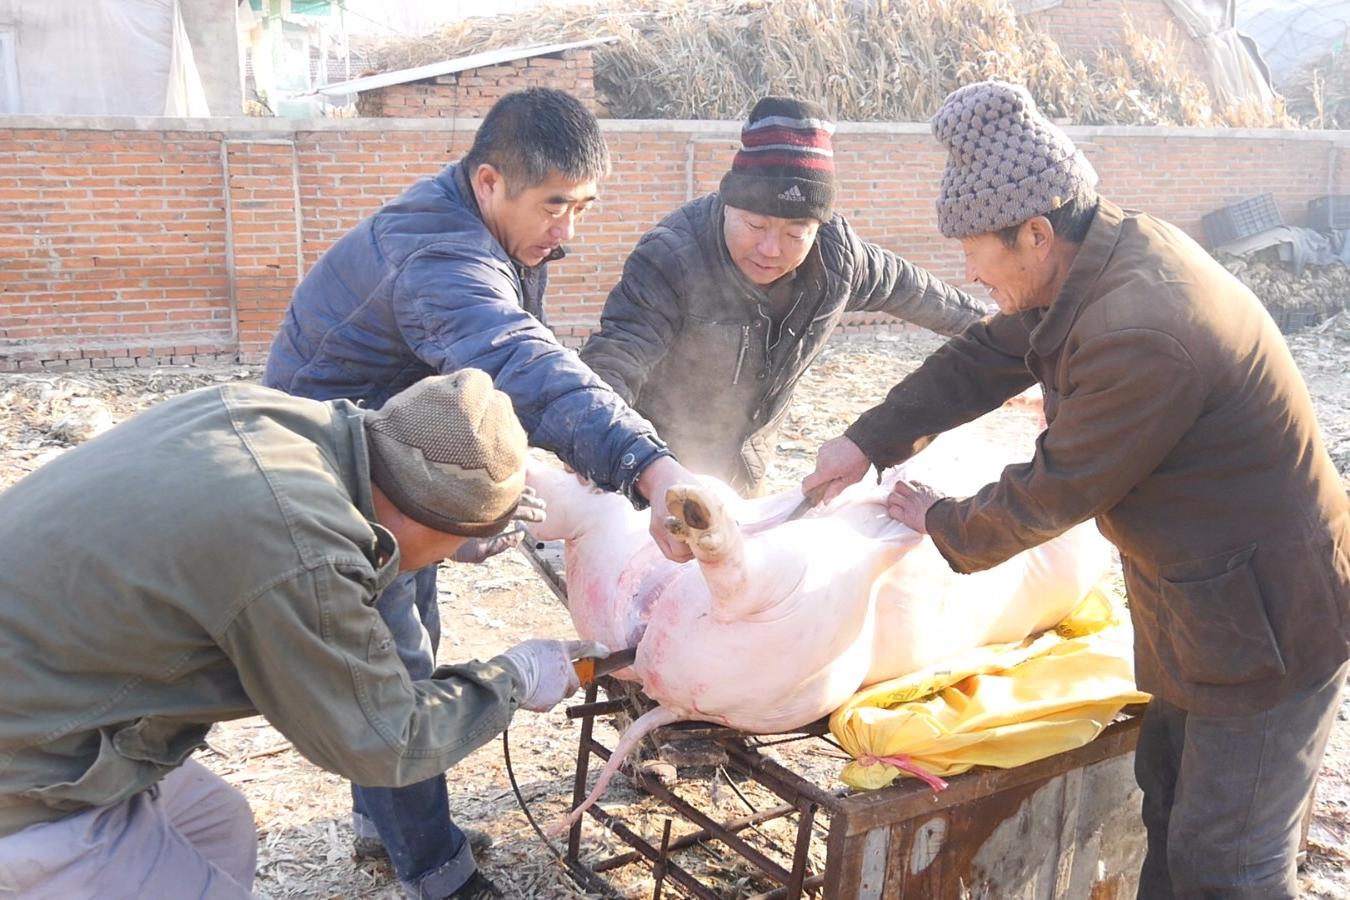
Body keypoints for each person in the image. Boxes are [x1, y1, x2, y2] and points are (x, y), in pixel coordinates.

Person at [803, 81, 1350, 898]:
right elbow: (987, 355)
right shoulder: (1095, 261)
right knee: (1169, 808)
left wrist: (943, 520)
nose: (966, 271)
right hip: (1199, 602)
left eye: (974, 252)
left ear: (1033, 233)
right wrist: (868, 439)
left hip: (1270, 618)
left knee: (1227, 865)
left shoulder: (1141, 329)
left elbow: (1052, 491)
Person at [261, 88, 698, 894]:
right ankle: (435, 869)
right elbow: (510, 355)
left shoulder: (490, 230)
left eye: (584, 206)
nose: (568, 228)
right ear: (491, 181)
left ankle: (382, 821)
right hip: (331, 472)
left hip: (399, 458)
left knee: (405, 636)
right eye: (555, 204)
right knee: (396, 671)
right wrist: (646, 462)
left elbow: (506, 358)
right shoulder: (437, 256)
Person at [0, 370, 604, 899]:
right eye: (450, 540)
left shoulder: (274, 420)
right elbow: (382, 740)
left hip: (49, 682)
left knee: (217, 823)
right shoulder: (300, 550)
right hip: (31, 767)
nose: (446, 556)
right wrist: (514, 679)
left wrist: (447, 535)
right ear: (423, 514)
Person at [579, 97, 989, 495]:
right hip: (654, 468)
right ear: (728, 205)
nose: (771, 250)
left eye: (795, 233)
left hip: (746, 468)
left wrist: (1002, 330)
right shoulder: (672, 257)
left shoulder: (836, 260)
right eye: (755, 226)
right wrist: (602, 443)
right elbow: (618, 355)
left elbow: (918, 293)